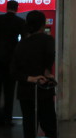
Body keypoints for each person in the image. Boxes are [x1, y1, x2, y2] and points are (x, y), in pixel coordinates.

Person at [10, 10, 56, 138]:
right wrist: (46, 73)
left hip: (25, 91)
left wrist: (30, 78)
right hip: (43, 89)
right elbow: (49, 57)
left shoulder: (21, 44)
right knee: (49, 125)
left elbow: (13, 71)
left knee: (29, 125)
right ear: (43, 24)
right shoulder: (47, 40)